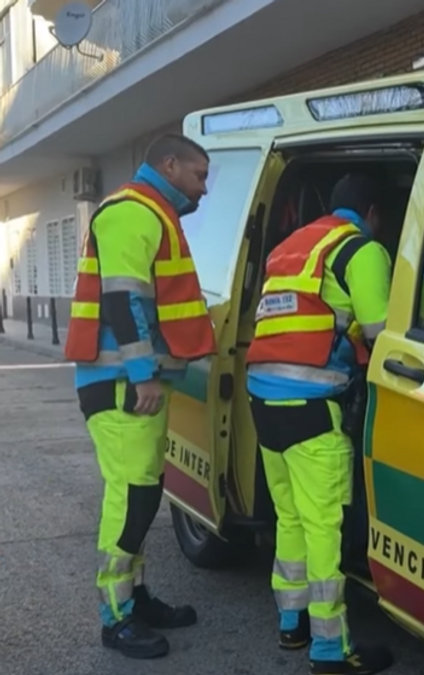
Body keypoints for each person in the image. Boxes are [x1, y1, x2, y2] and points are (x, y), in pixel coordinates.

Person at [64, 133, 216, 659]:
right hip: (122, 383)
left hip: (132, 381)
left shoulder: (154, 214)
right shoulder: (131, 211)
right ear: (168, 165)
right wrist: (143, 371)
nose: (204, 189)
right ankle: (116, 617)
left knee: (143, 494)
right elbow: (121, 298)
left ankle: (137, 597)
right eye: (199, 175)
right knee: (131, 499)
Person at [245, 173, 394, 675]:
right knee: (324, 527)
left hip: (263, 400)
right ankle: (330, 650)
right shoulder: (361, 251)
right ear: (371, 214)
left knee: (290, 518)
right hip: (312, 406)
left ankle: (293, 624)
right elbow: (383, 336)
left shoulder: (292, 248)